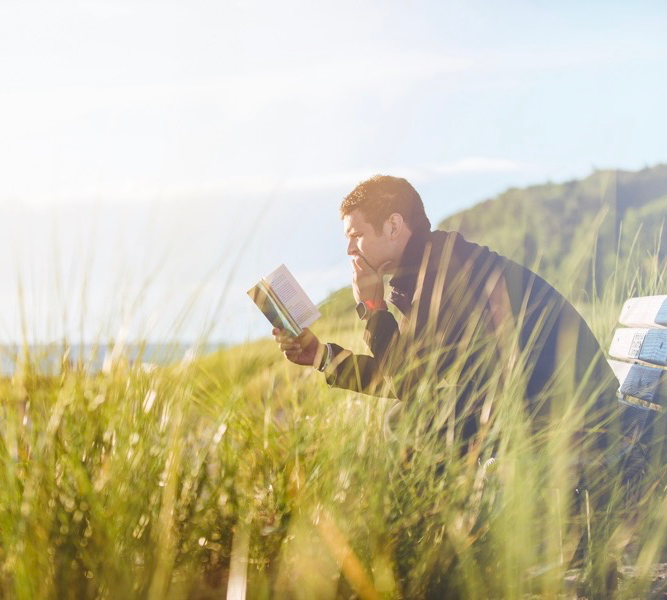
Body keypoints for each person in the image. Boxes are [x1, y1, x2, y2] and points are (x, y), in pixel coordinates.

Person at [273, 175, 643, 478]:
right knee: (414, 417)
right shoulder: (427, 271)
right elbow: (408, 377)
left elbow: (407, 381)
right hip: (543, 406)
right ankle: (451, 541)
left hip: (576, 420)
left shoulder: (447, 272)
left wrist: (372, 306)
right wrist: (321, 356)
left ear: (393, 225)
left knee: (410, 420)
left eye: (355, 235)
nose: (350, 250)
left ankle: (451, 545)